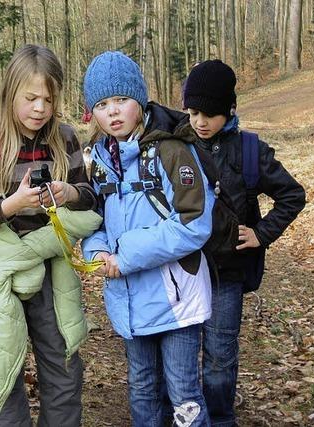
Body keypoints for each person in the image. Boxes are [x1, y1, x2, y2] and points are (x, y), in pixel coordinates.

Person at [0, 44, 99, 426]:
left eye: (48, 99)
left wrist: (70, 193)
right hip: (2, 275)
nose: (39, 108)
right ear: (11, 92)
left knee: (62, 366)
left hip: (52, 271)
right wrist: (13, 203)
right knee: (3, 370)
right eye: (30, 98)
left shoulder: (64, 138)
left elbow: (92, 199)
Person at [81, 51, 214, 427]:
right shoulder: (100, 161)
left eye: (121, 100)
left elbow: (194, 222)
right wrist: (99, 251)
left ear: (139, 101)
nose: (113, 112)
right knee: (141, 386)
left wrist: (125, 256)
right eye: (103, 104)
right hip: (128, 301)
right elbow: (95, 220)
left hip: (176, 300)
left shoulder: (171, 151)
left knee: (183, 392)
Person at [183, 59, 306, 426]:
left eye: (211, 113)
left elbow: (292, 195)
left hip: (228, 274)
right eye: (193, 112)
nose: (200, 122)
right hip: (182, 272)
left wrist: (261, 233)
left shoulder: (251, 151)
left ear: (231, 109)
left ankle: (220, 417)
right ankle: (186, 415)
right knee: (182, 355)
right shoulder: (178, 144)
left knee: (220, 354)